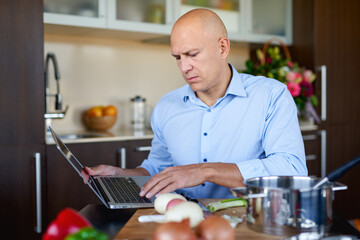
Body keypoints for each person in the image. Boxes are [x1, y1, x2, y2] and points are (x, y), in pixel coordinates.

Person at [86, 9, 307, 199]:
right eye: (178, 58)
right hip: (182, 222)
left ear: (222, 48)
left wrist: (205, 171)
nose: (184, 68)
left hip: (249, 223)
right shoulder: (166, 107)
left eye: (192, 54)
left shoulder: (271, 95)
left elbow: (292, 170)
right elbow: (157, 169)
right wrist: (120, 175)